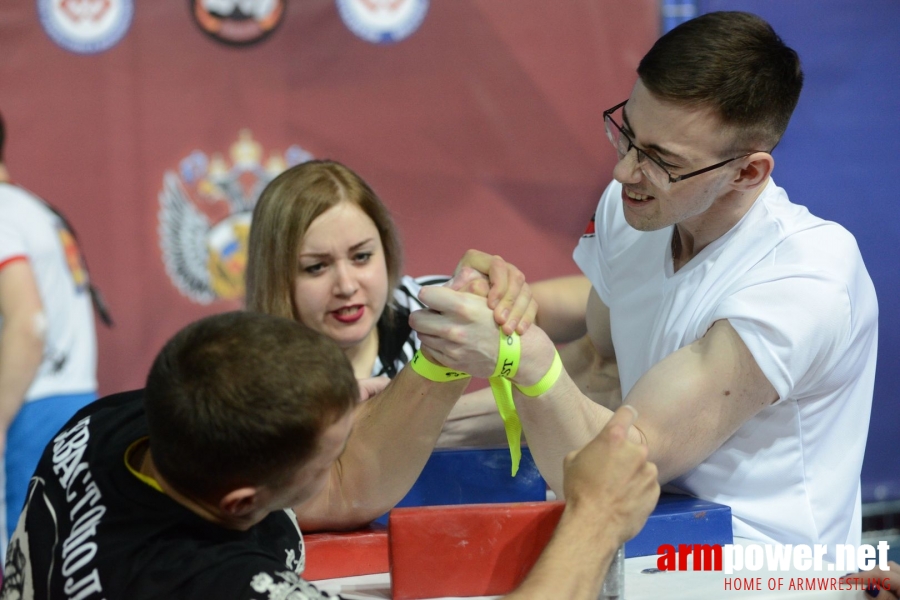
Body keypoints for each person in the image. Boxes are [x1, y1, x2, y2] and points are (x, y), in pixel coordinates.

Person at [410, 10, 878, 556]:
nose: (624, 172)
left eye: (662, 160)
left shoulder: (806, 274)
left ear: (748, 172)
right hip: (640, 542)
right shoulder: (633, 211)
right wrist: (415, 420)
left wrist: (520, 354)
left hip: (769, 573)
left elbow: (622, 459)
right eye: (627, 133)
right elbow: (600, 373)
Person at [0, 311, 659, 599]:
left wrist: (441, 364)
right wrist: (598, 515)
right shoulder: (217, 586)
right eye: (328, 451)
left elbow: (345, 486)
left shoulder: (120, 424)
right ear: (243, 504)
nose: (347, 447)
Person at [244, 159, 594, 447]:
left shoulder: (422, 307)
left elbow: (601, 304)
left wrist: (510, 301)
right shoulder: (244, 377)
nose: (347, 286)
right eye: (316, 267)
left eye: (362, 256)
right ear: (275, 274)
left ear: (386, 249)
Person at [0, 110, 99, 560]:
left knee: (27, 569)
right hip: (70, 404)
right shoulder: (32, 208)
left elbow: (28, 324)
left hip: (30, 409)